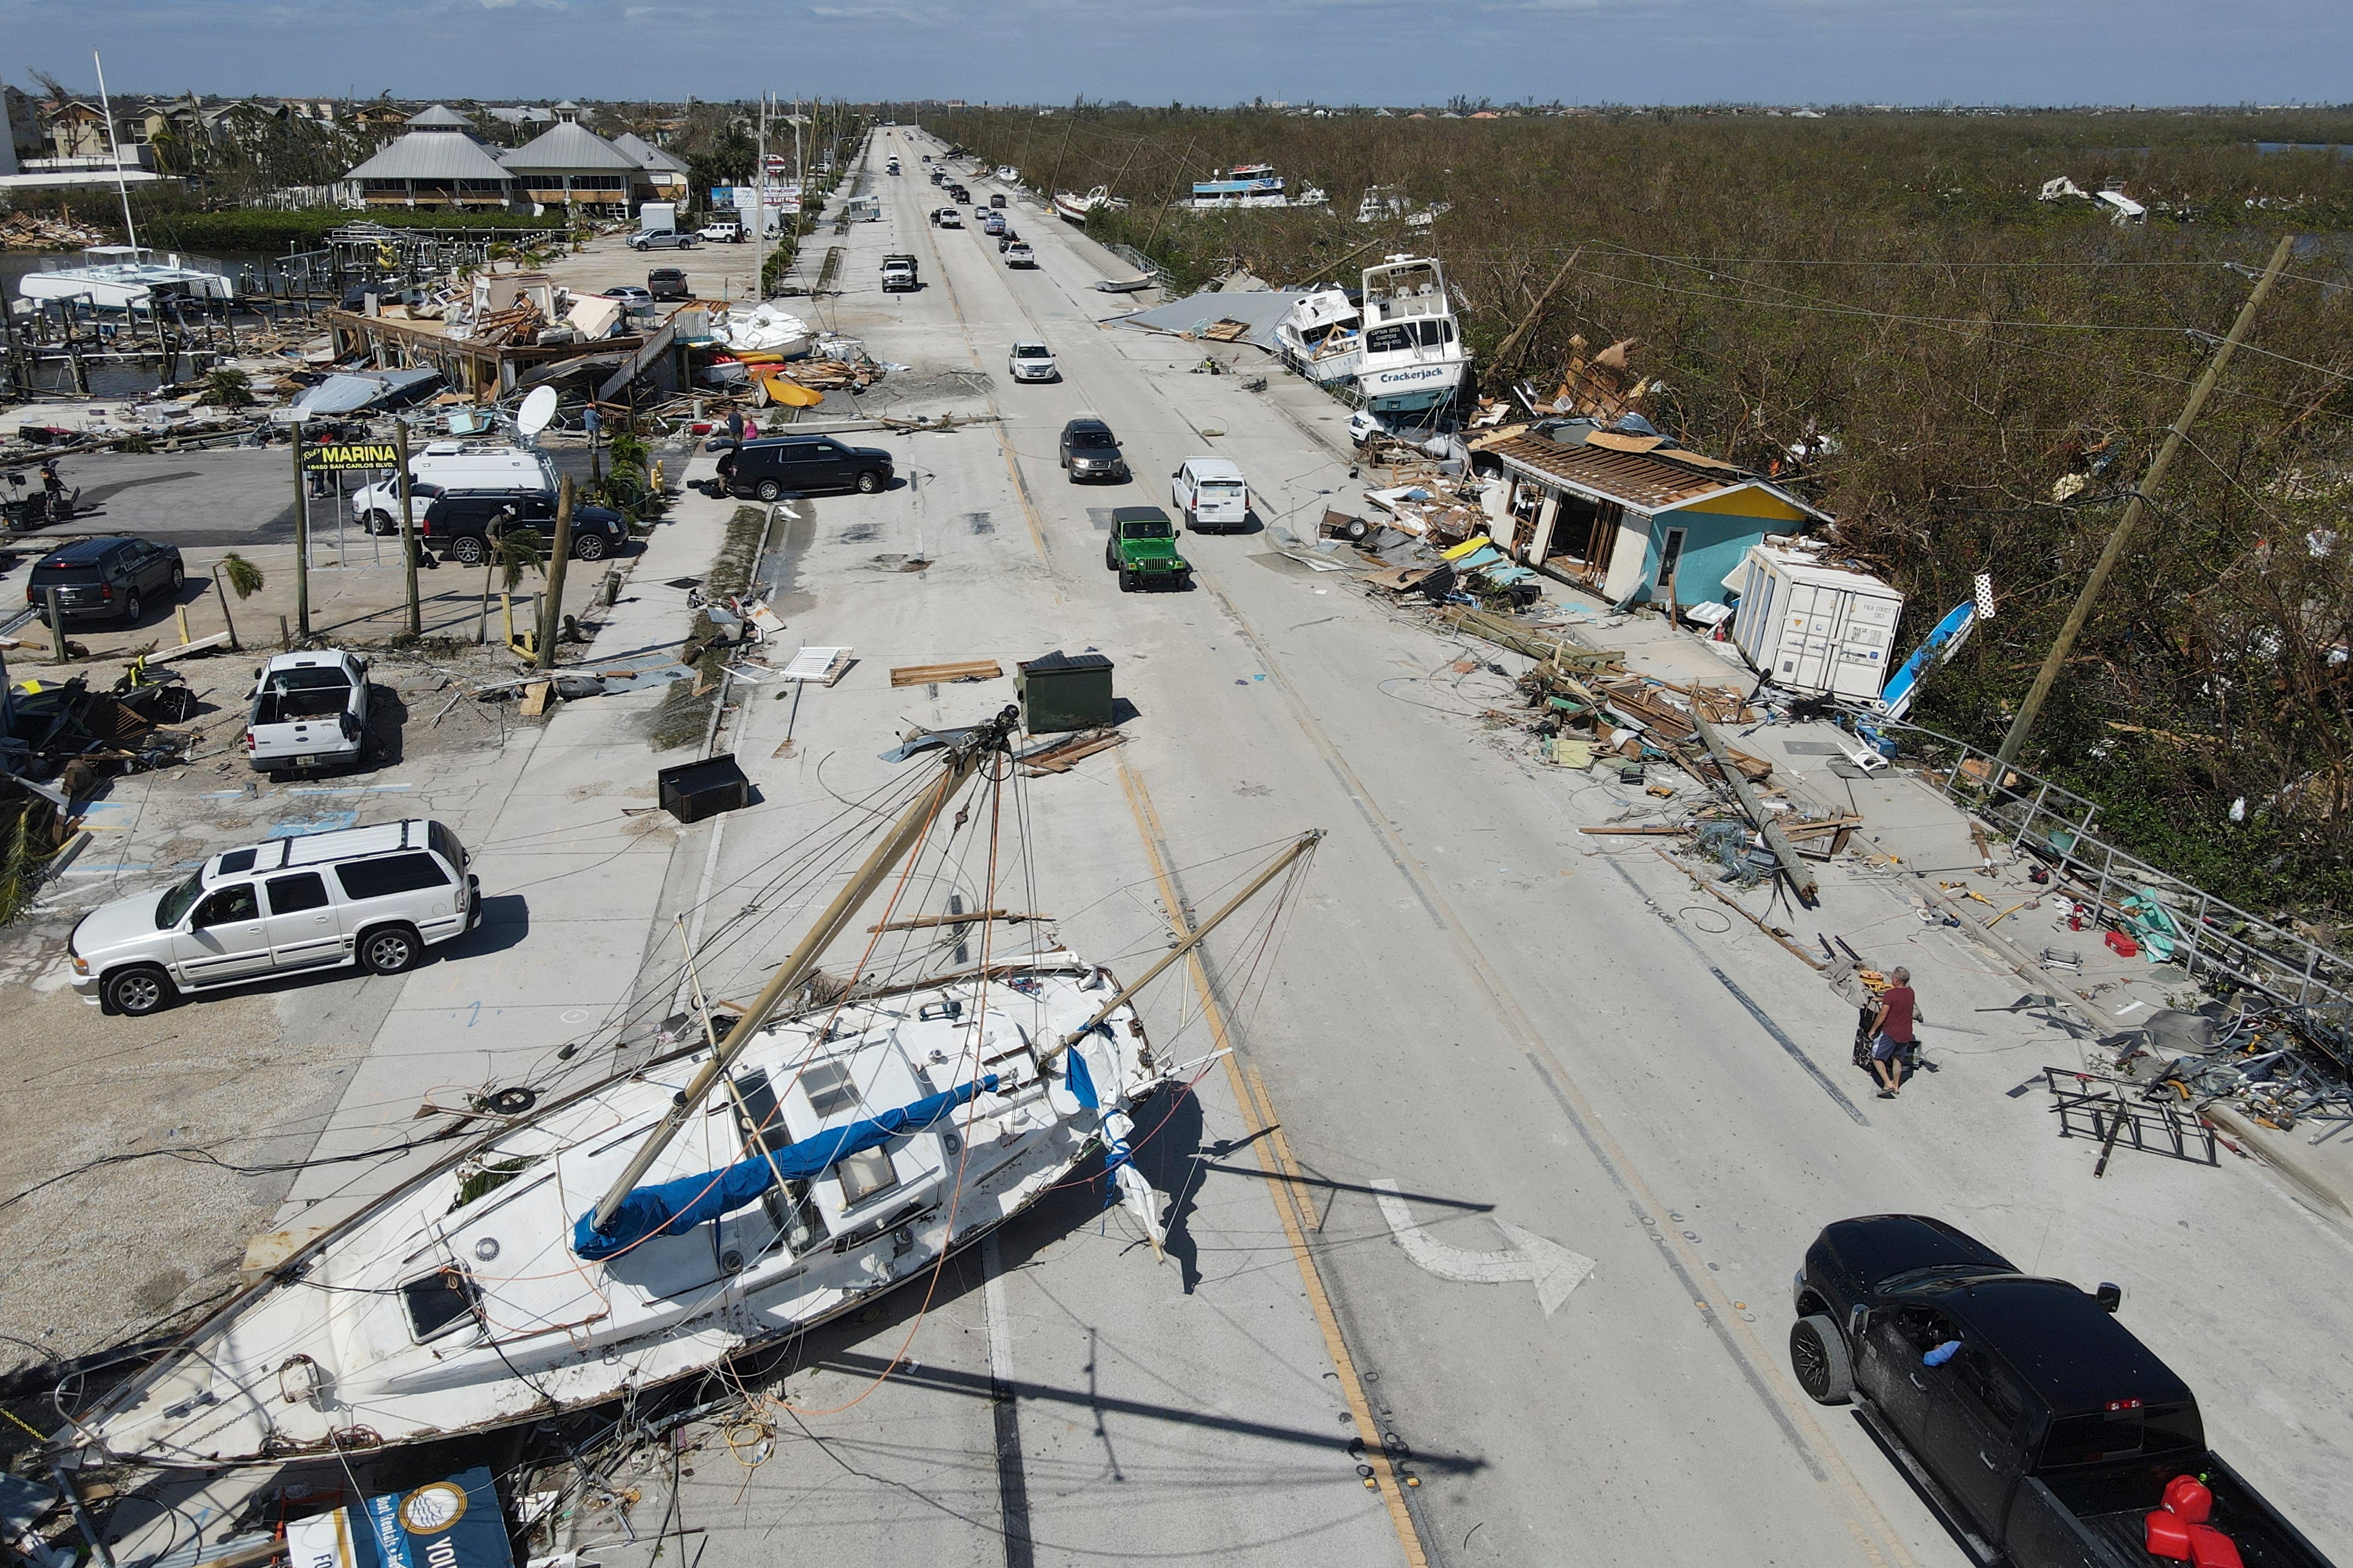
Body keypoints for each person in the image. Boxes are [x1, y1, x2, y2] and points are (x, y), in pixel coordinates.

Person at [1869, 967, 1918, 1098]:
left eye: (1892, 977)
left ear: (1896, 980)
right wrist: (1882, 999)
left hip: (1891, 1032)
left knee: (1876, 1056)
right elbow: (1900, 1001)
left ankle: (1887, 1084)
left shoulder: (1891, 994)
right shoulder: (1910, 993)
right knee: (1898, 1059)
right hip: (1906, 1033)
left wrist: (1873, 1030)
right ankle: (1896, 1086)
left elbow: (1883, 1015)